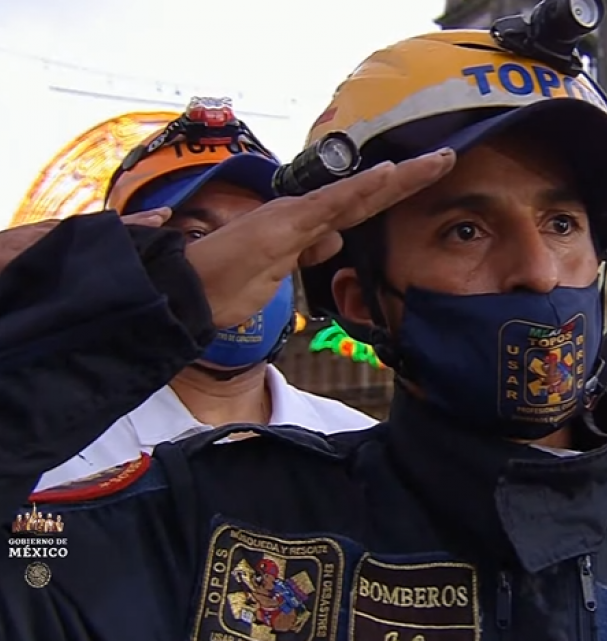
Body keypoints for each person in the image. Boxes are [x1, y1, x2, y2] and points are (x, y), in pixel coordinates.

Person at [0, 14, 607, 641]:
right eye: (464, 231)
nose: (537, 272)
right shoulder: (202, 526)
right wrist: (123, 314)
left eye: (560, 224)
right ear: (362, 301)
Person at [34, 97, 375, 491]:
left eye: (258, 231)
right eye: (195, 235)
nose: (240, 257)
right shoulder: (50, 462)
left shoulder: (358, 449)